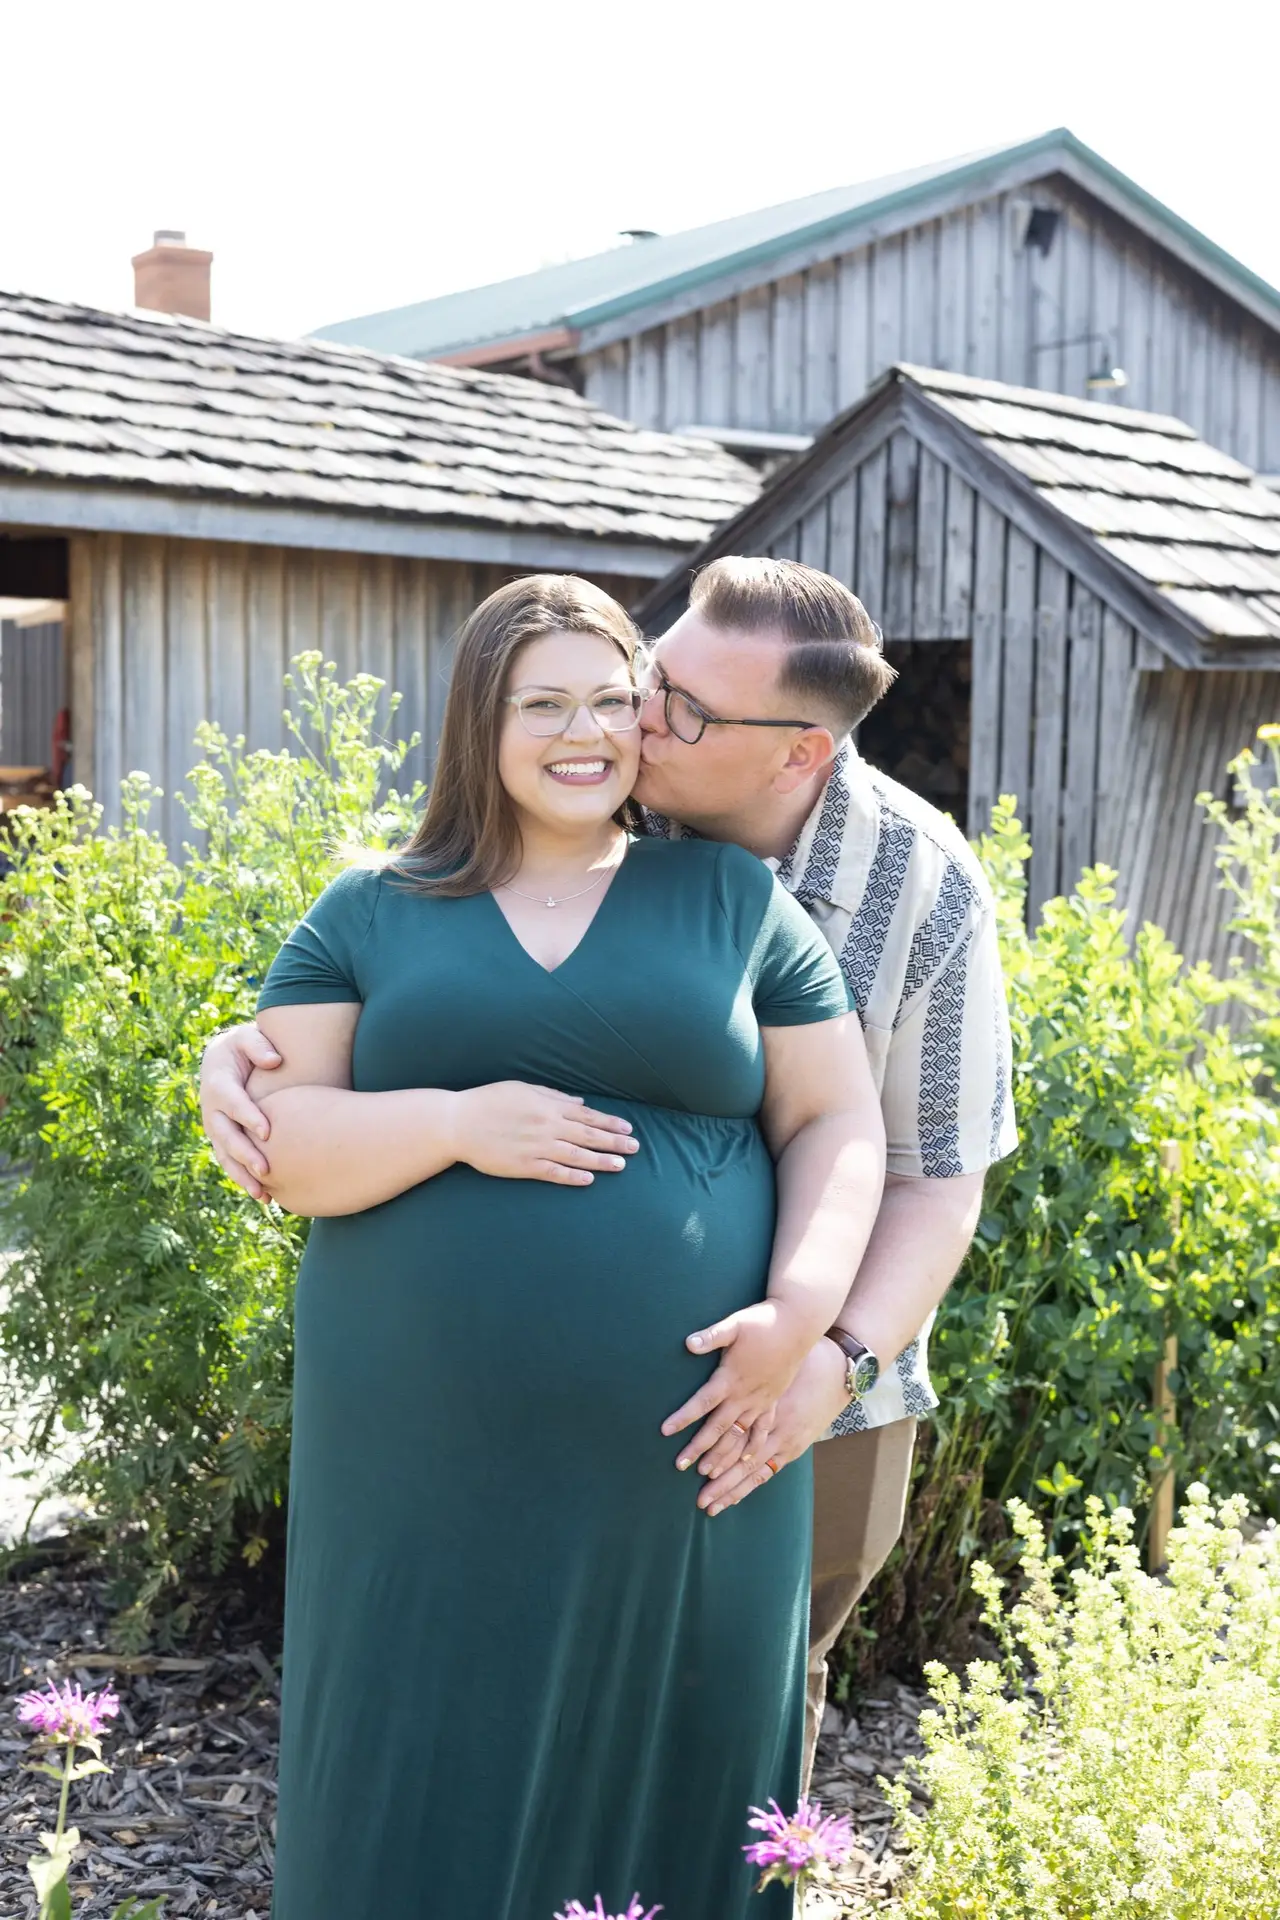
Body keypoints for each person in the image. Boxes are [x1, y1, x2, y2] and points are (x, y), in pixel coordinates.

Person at [202, 556, 1018, 1789]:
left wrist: (827, 1353)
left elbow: (929, 1171)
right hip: (464, 1417)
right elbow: (420, 922)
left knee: (729, 1711)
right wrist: (245, 1053)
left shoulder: (917, 884)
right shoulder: (589, 783)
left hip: (808, 1371)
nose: (633, 717)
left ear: (793, 753)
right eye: (654, 674)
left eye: (675, 707)